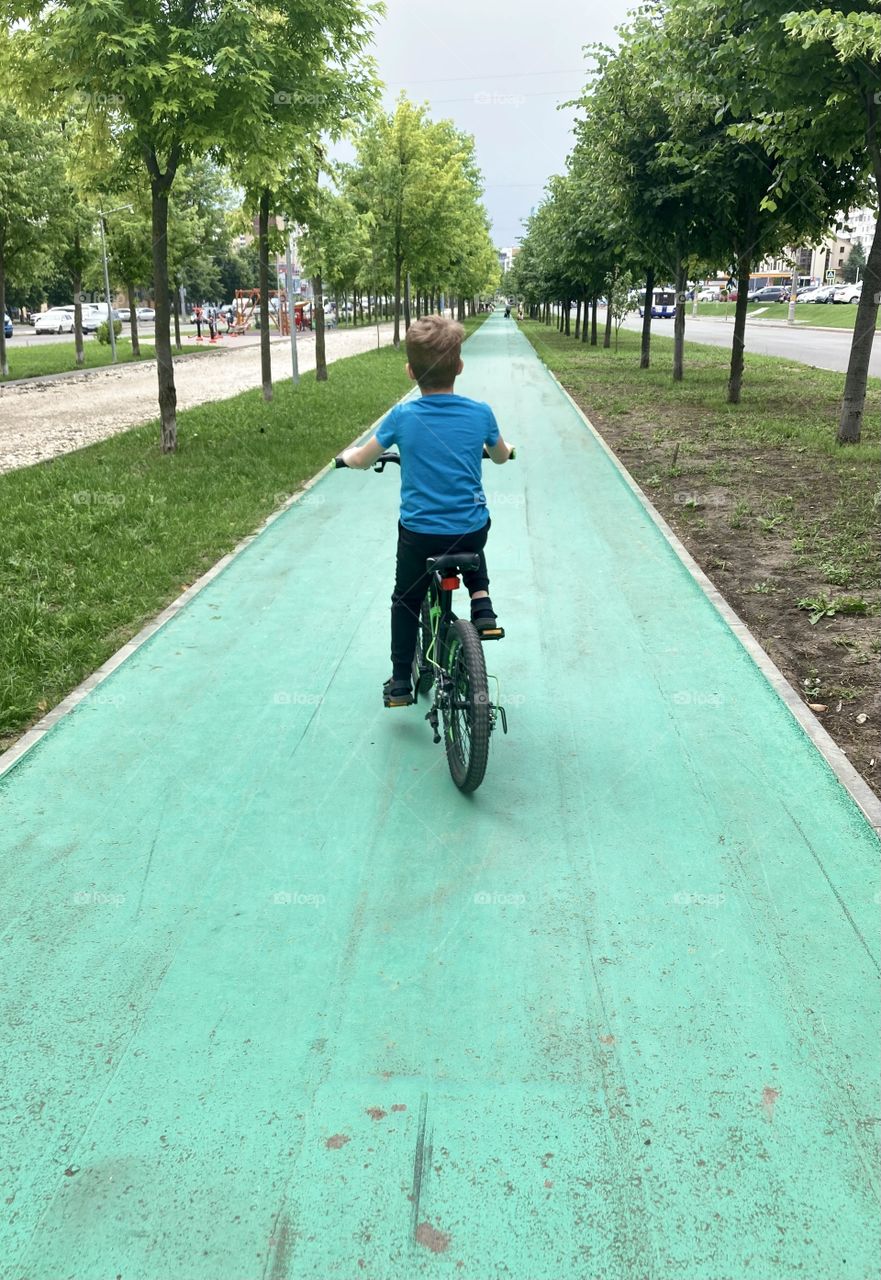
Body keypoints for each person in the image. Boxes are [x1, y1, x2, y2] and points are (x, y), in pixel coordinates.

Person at [337, 315, 515, 707]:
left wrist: (348, 457)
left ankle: (401, 681)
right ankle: (481, 603)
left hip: (420, 537)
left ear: (409, 371)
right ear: (460, 366)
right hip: (469, 531)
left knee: (405, 600)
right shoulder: (481, 413)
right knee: (473, 523)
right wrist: (505, 450)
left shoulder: (402, 417)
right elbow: (501, 455)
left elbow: (364, 459)